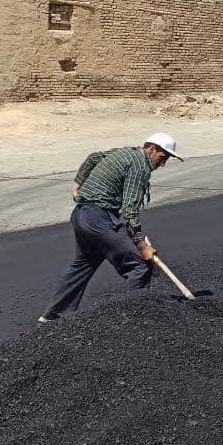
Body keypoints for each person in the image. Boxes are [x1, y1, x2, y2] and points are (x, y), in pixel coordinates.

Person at [39, 132, 183, 323]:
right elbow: (130, 209)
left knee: (85, 264)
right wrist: (142, 245)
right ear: (151, 149)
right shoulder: (141, 166)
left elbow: (93, 157)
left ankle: (53, 316)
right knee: (139, 265)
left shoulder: (124, 152)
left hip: (81, 215)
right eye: (162, 157)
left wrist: (78, 184)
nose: (162, 163)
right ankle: (136, 319)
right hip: (98, 217)